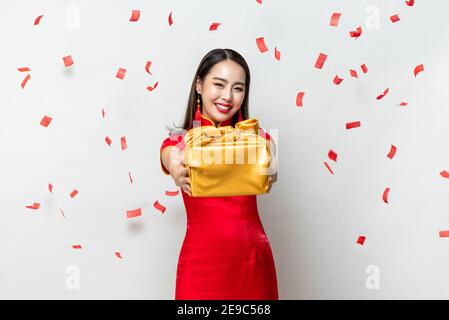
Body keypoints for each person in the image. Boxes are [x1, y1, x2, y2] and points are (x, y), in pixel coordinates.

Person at [160, 48, 278, 300]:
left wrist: (270, 163)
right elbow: (170, 157)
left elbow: (270, 158)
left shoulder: (256, 140)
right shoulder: (179, 142)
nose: (227, 96)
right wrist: (175, 167)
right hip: (200, 266)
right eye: (219, 84)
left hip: (251, 261)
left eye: (238, 88)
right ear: (199, 85)